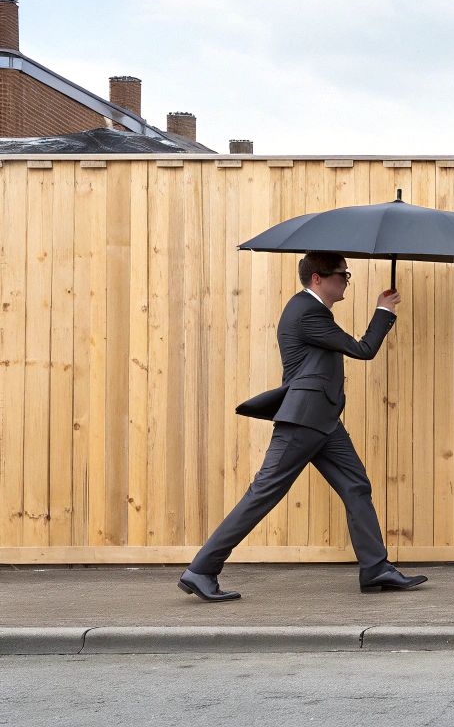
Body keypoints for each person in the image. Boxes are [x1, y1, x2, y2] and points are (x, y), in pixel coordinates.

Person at [178, 252, 428, 601]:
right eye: (342, 275)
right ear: (317, 278)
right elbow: (363, 349)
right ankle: (202, 569)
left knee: (356, 485)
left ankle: (375, 568)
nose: (346, 281)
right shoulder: (307, 311)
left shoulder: (312, 311)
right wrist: (384, 310)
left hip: (322, 419)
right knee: (263, 493)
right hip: (305, 420)